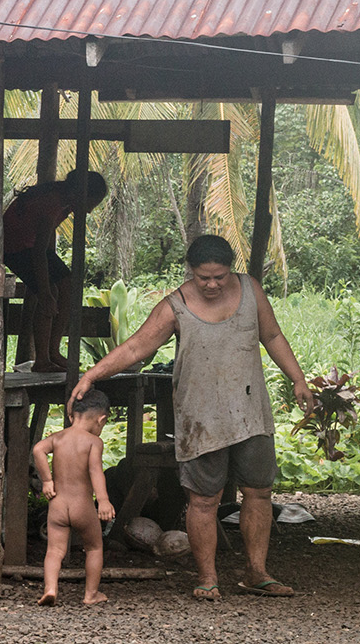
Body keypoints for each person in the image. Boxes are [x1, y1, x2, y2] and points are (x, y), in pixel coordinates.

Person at [68, 234, 314, 602]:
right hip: (199, 416)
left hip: (250, 412)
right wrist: (92, 375)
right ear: (191, 272)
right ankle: (207, 577)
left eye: (220, 276)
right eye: (204, 278)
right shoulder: (176, 305)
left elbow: (273, 334)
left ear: (231, 269)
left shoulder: (251, 291)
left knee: (259, 492)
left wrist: (298, 379)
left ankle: (256, 572)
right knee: (203, 499)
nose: (213, 284)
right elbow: (138, 346)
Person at [3, 169, 109, 372]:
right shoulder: (51, 202)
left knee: (68, 284)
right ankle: (42, 359)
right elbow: (38, 253)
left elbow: (47, 242)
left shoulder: (63, 200)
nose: (89, 212)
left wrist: (54, 271)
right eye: (90, 204)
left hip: (30, 245)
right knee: (51, 292)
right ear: (81, 194)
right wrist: (44, 293)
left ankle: (53, 351)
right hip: (14, 248)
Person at [32, 388, 116, 606]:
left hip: (58, 504)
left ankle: (50, 589)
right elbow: (95, 471)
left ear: (71, 416)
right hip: (82, 506)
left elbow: (38, 450)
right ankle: (91, 594)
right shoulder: (93, 442)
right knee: (94, 548)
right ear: (102, 419)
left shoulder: (58, 438)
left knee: (54, 550)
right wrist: (104, 500)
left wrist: (47, 481)